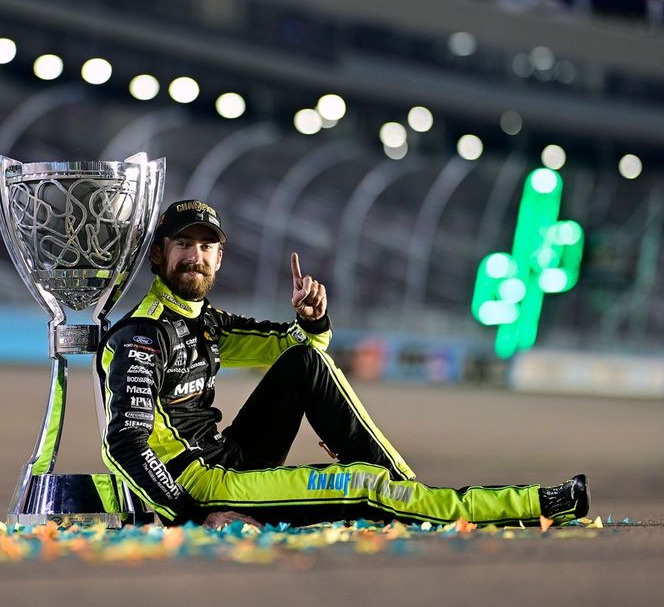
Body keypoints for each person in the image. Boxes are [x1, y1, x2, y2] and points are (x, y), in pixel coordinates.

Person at [97, 199, 590, 529]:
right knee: (363, 486)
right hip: (198, 485)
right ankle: (530, 504)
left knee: (304, 360)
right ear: (159, 255)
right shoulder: (142, 336)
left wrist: (312, 318)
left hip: (228, 459)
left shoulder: (211, 322)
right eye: (184, 245)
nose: (196, 257)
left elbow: (295, 347)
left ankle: (405, 490)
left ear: (220, 260)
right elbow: (124, 443)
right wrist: (193, 516)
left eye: (207, 247)